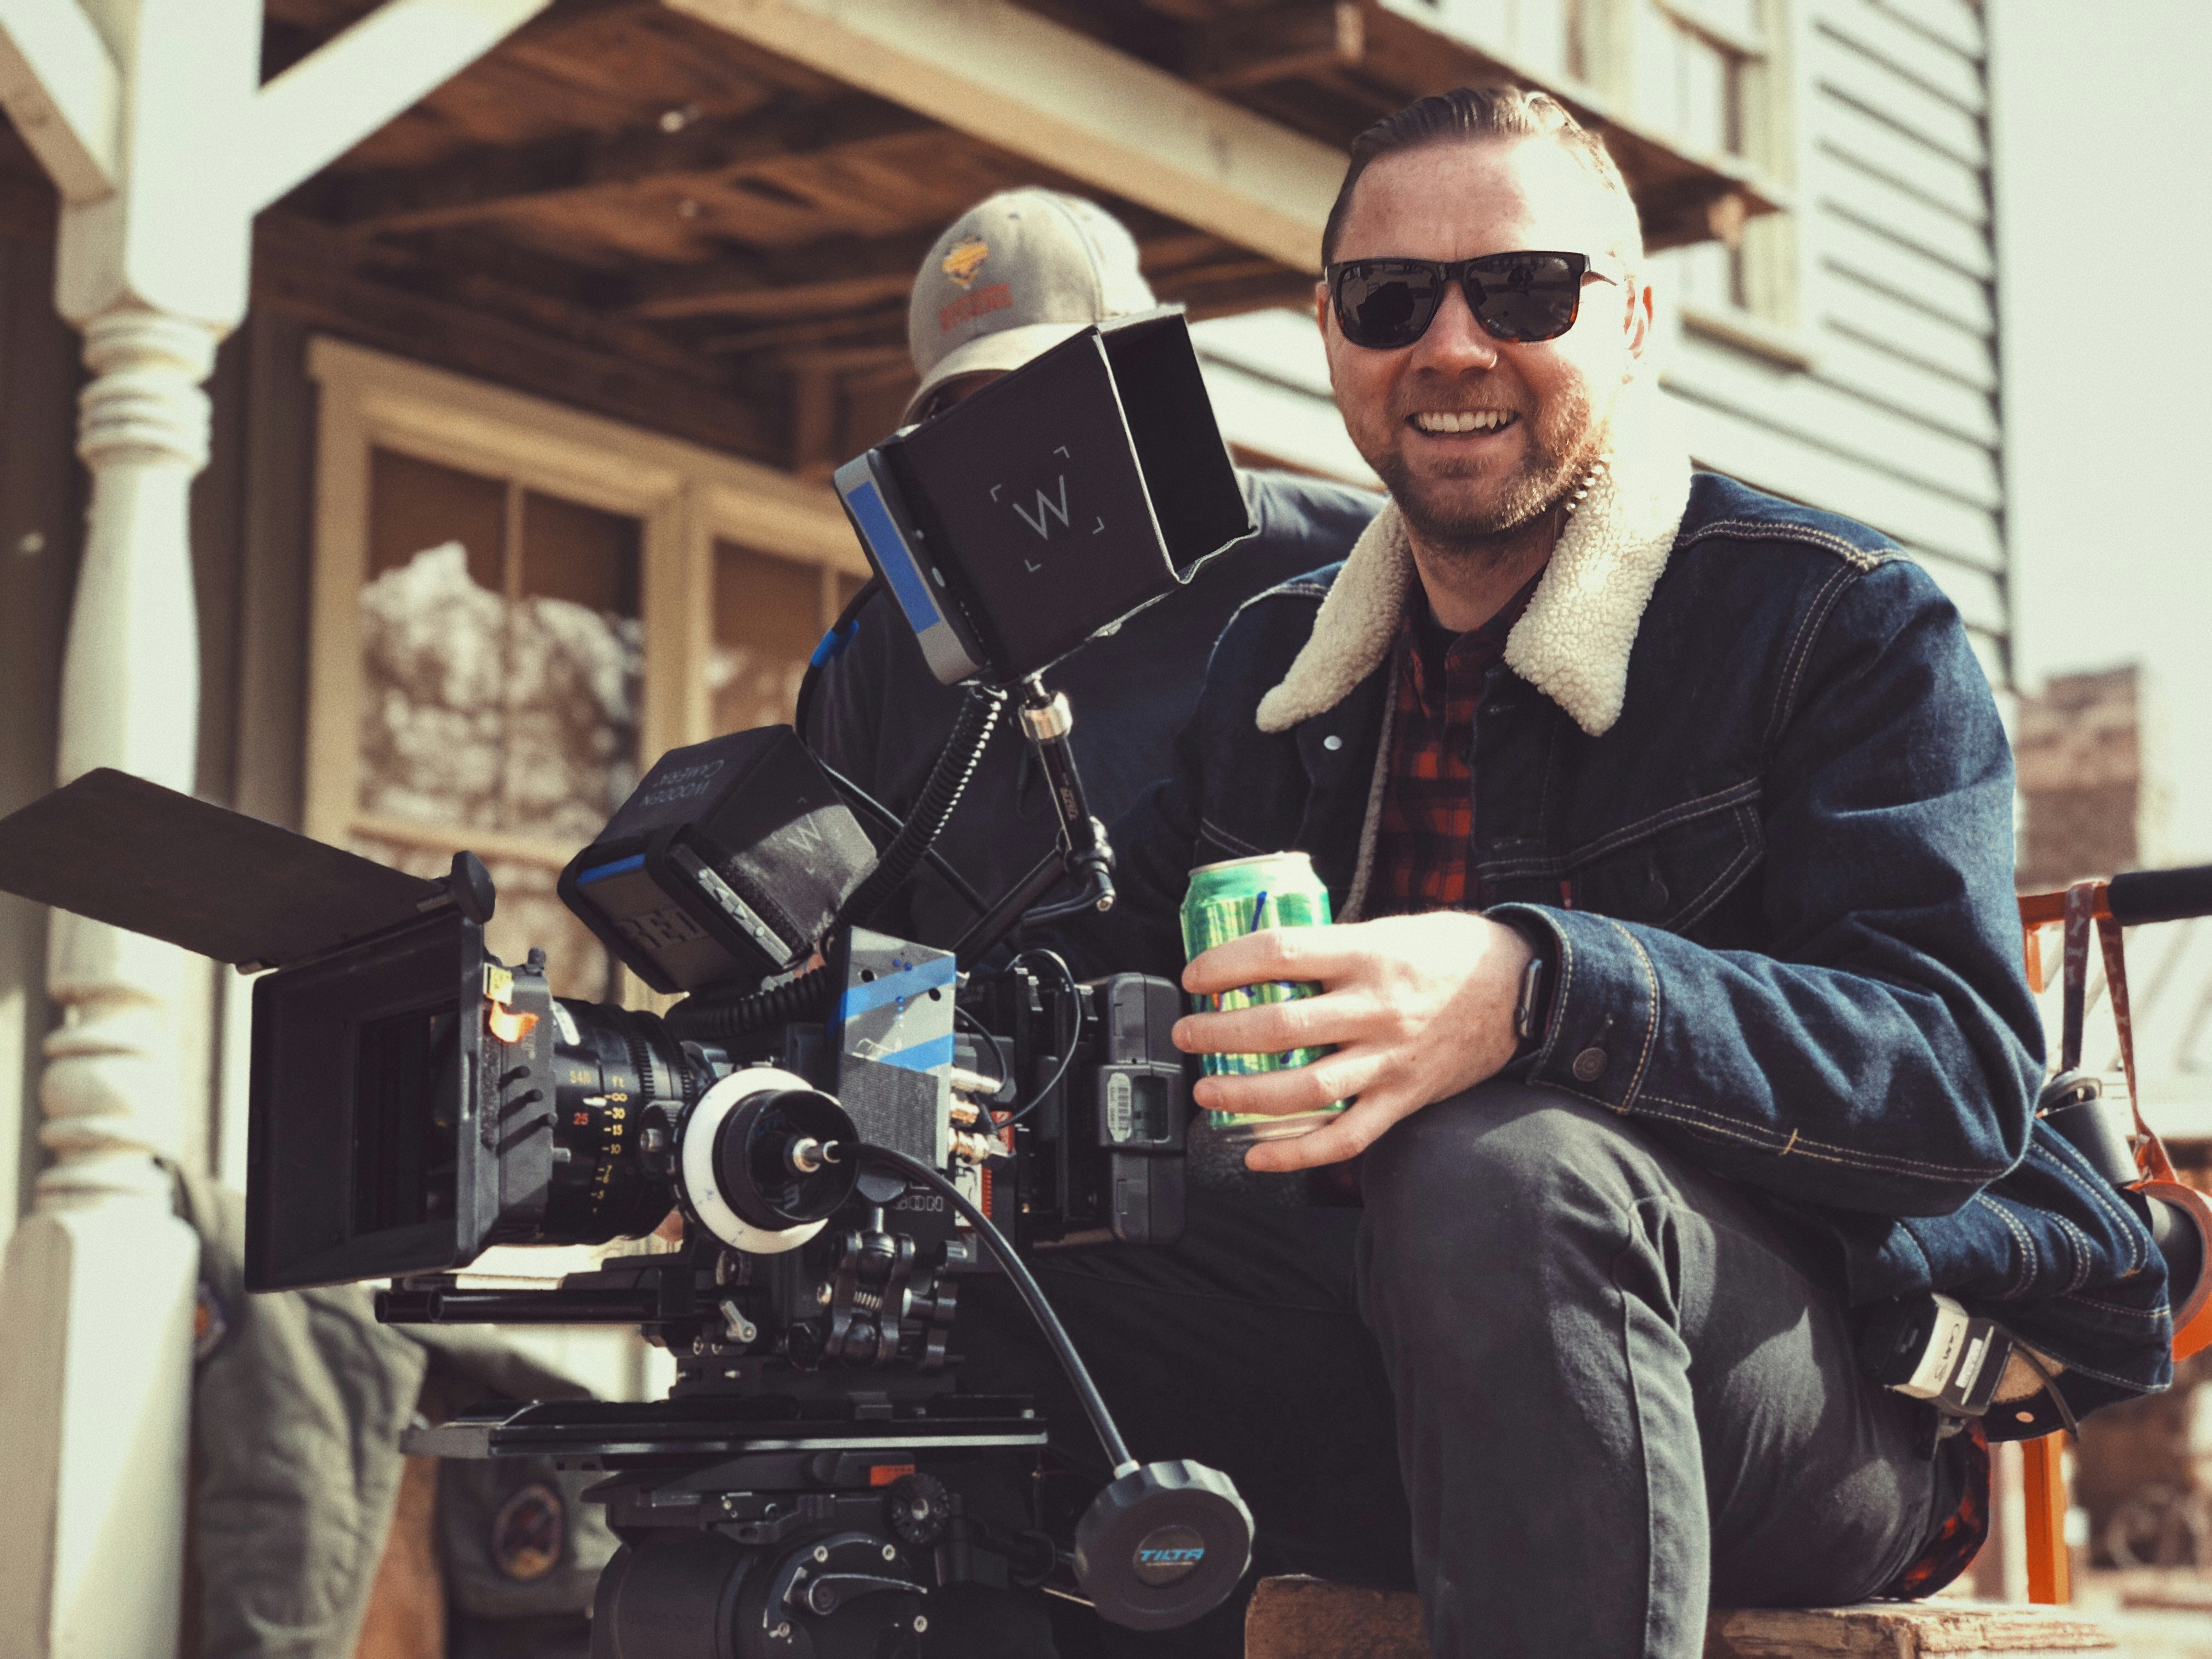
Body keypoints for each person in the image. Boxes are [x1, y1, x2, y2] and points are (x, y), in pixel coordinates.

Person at [1004, 87, 2173, 1658]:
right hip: (1382, 1356)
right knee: (949, 1267)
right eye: (1392, 299)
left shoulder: (1841, 622)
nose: (1454, 345)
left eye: (1527, 289)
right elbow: (1101, 991)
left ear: (1634, 323)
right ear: (1333, 332)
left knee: (1496, 1169)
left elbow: (1953, 1079)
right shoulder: (1274, 668)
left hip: (1797, 1397)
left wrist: (1533, 990)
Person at [803, 188, 1381, 950]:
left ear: (1140, 369)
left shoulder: (1349, 557)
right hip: (979, 1068)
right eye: (957, 423)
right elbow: (856, 943)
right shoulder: (885, 645)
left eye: (1033, 396)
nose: (1003, 448)